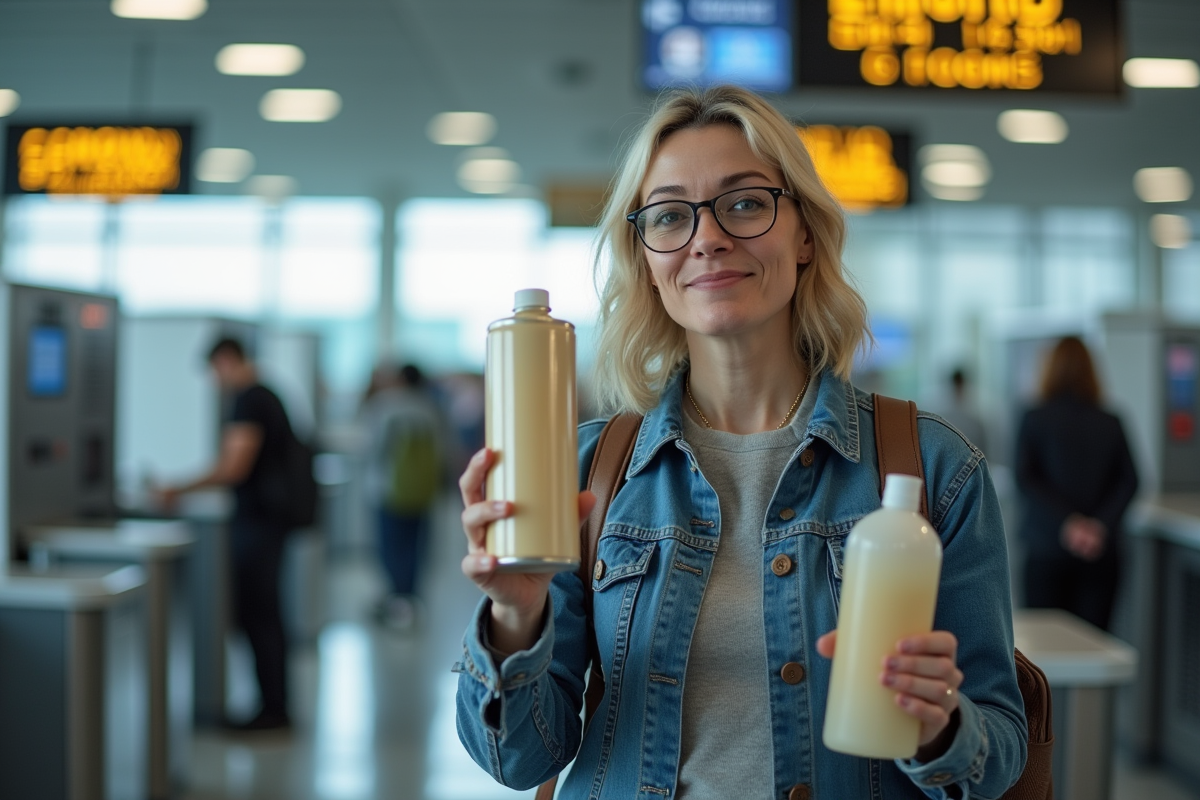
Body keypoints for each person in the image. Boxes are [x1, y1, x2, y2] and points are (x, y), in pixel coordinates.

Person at [455, 86, 1026, 799]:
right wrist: (515, 615)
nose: (708, 237)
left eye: (746, 202)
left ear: (806, 233)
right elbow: (520, 761)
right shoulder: (591, 472)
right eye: (669, 215)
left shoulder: (933, 468)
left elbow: (1000, 750)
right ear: (648, 261)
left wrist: (938, 723)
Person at [159, 337, 297, 731]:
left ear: (225, 360)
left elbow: (232, 467)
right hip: (268, 522)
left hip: (259, 524)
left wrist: (177, 488)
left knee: (260, 614)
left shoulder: (249, 400)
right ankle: (272, 705)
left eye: (214, 372)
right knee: (265, 614)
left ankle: (272, 710)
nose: (215, 382)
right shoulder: (269, 394)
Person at [1015, 336, 1139, 631]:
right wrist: (1097, 526)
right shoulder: (1110, 420)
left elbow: (1026, 479)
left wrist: (1068, 524)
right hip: (1099, 551)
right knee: (1095, 644)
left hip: (1047, 548)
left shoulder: (1034, 418)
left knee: (1044, 646)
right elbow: (1130, 481)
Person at [359, 363, 445, 630]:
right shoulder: (431, 407)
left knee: (390, 545)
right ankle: (411, 599)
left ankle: (396, 601)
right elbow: (444, 449)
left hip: (387, 489)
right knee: (416, 545)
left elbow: (371, 446)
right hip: (422, 491)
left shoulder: (385, 405)